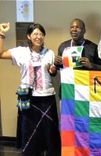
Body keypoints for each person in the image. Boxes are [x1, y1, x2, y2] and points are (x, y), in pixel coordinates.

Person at [0, 23, 61, 156]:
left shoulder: (49, 53)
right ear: (29, 36)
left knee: (49, 132)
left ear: (44, 36)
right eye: (35, 34)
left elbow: (52, 72)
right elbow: (1, 54)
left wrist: (53, 70)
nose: (38, 37)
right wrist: (2, 34)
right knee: (30, 133)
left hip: (47, 98)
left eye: (41, 34)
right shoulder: (21, 52)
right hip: (28, 99)